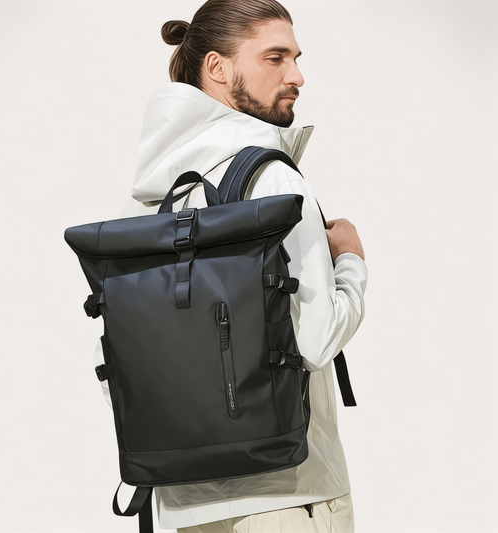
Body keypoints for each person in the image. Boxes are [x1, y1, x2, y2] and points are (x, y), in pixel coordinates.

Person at [101, 0, 367, 531]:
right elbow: (314, 340)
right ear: (217, 67)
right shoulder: (273, 178)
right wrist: (351, 264)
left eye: (295, 58)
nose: (297, 76)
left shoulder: (149, 195)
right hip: (287, 494)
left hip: (187, 500)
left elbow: (120, 353)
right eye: (275, 57)